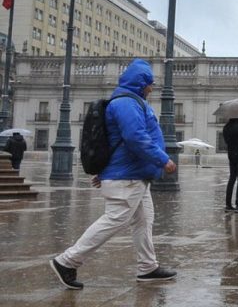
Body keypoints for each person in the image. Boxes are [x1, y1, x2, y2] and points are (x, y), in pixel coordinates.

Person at [50, 58, 177, 290]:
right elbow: (135, 138)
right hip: (128, 176)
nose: (151, 88)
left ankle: (147, 267)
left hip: (135, 174)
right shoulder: (127, 103)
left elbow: (118, 140)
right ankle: (67, 261)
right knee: (115, 219)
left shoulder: (131, 101)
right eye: (149, 84)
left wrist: (106, 170)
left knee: (144, 220)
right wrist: (163, 159)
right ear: (140, 83)